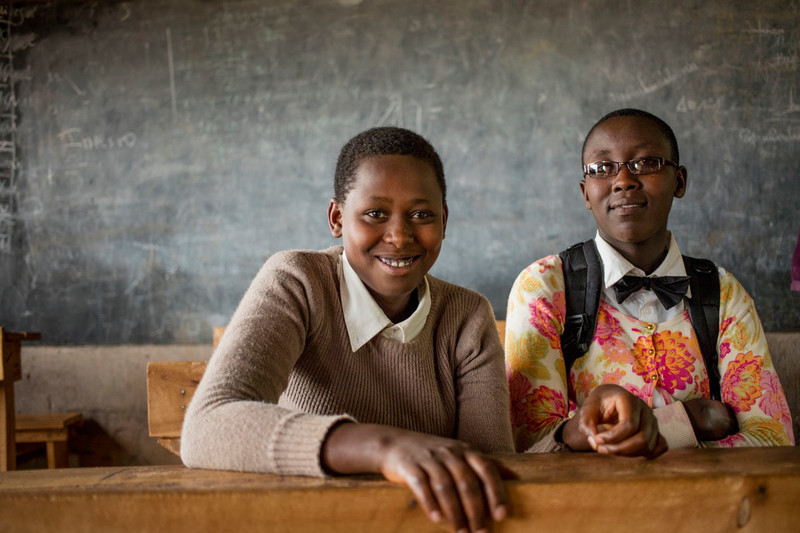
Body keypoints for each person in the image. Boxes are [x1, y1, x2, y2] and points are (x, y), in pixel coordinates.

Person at [181, 126, 514, 533]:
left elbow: (488, 467)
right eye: (375, 214)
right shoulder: (298, 282)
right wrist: (384, 448)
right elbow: (207, 425)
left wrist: (565, 436)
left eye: (422, 214)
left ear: (443, 220)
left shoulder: (467, 316)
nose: (399, 235)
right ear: (338, 218)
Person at [505, 108, 794, 456]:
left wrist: (592, 439)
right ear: (585, 193)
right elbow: (533, 449)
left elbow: (771, 441)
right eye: (602, 168)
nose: (623, 179)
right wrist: (692, 417)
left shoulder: (722, 291)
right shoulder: (545, 288)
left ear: (680, 181)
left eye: (645, 163)